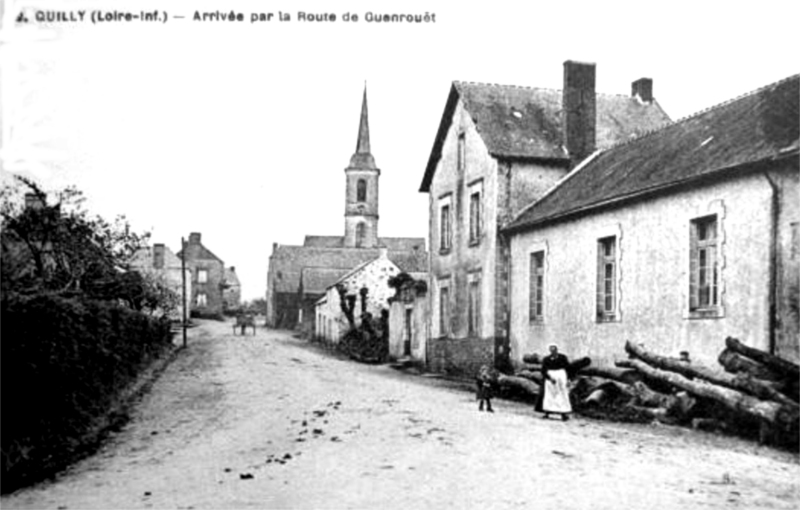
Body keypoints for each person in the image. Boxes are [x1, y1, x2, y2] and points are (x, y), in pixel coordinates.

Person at [538, 343, 572, 421]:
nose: (553, 352)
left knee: (562, 394)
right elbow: (543, 370)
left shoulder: (562, 358)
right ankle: (547, 412)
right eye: (551, 350)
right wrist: (549, 378)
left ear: (557, 350)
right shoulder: (546, 359)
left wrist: (568, 379)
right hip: (551, 376)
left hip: (561, 376)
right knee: (549, 395)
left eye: (554, 350)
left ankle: (564, 414)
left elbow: (568, 368)